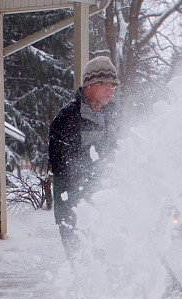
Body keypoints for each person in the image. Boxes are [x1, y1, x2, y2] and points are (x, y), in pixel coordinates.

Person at [48, 56, 119, 261]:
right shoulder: (67, 119)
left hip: (105, 204)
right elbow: (63, 166)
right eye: (103, 83)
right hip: (74, 207)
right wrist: (96, 181)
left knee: (112, 261)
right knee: (82, 264)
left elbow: (121, 149)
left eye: (112, 85)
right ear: (88, 85)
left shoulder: (113, 114)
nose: (109, 90)